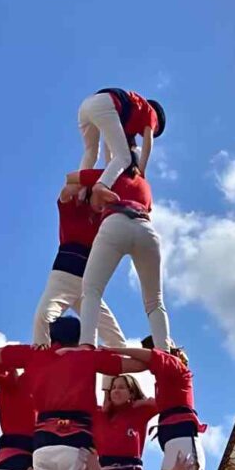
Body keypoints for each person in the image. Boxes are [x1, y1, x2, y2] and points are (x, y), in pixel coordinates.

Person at [0, 316, 143, 470]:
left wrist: (36, 351)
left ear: (52, 336)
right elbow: (139, 365)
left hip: (42, 446)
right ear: (79, 336)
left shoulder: (36, 355)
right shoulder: (87, 356)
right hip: (75, 442)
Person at [66, 150, 170, 352]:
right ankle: (164, 351)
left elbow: (70, 178)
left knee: (91, 289)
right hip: (146, 230)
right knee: (155, 300)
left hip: (115, 223)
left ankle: (87, 343)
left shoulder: (108, 175)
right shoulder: (145, 184)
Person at [106, 344, 205, 470]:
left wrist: (117, 350)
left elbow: (150, 358)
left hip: (182, 441)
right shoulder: (164, 386)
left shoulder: (176, 367)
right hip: (172, 446)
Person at [31, 185, 127, 349]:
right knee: (43, 318)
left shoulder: (106, 220)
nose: (104, 201)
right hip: (63, 278)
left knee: (115, 339)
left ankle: (114, 375)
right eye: (101, 196)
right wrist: (87, 182)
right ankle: (41, 365)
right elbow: (66, 191)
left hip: (88, 285)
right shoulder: (73, 209)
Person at [77, 88, 165, 205]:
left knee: (91, 152)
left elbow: (108, 144)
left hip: (86, 106)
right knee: (125, 158)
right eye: (155, 130)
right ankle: (101, 186)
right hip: (106, 103)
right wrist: (142, 171)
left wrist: (109, 169)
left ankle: (79, 188)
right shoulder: (151, 112)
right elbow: (148, 143)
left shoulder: (130, 121)